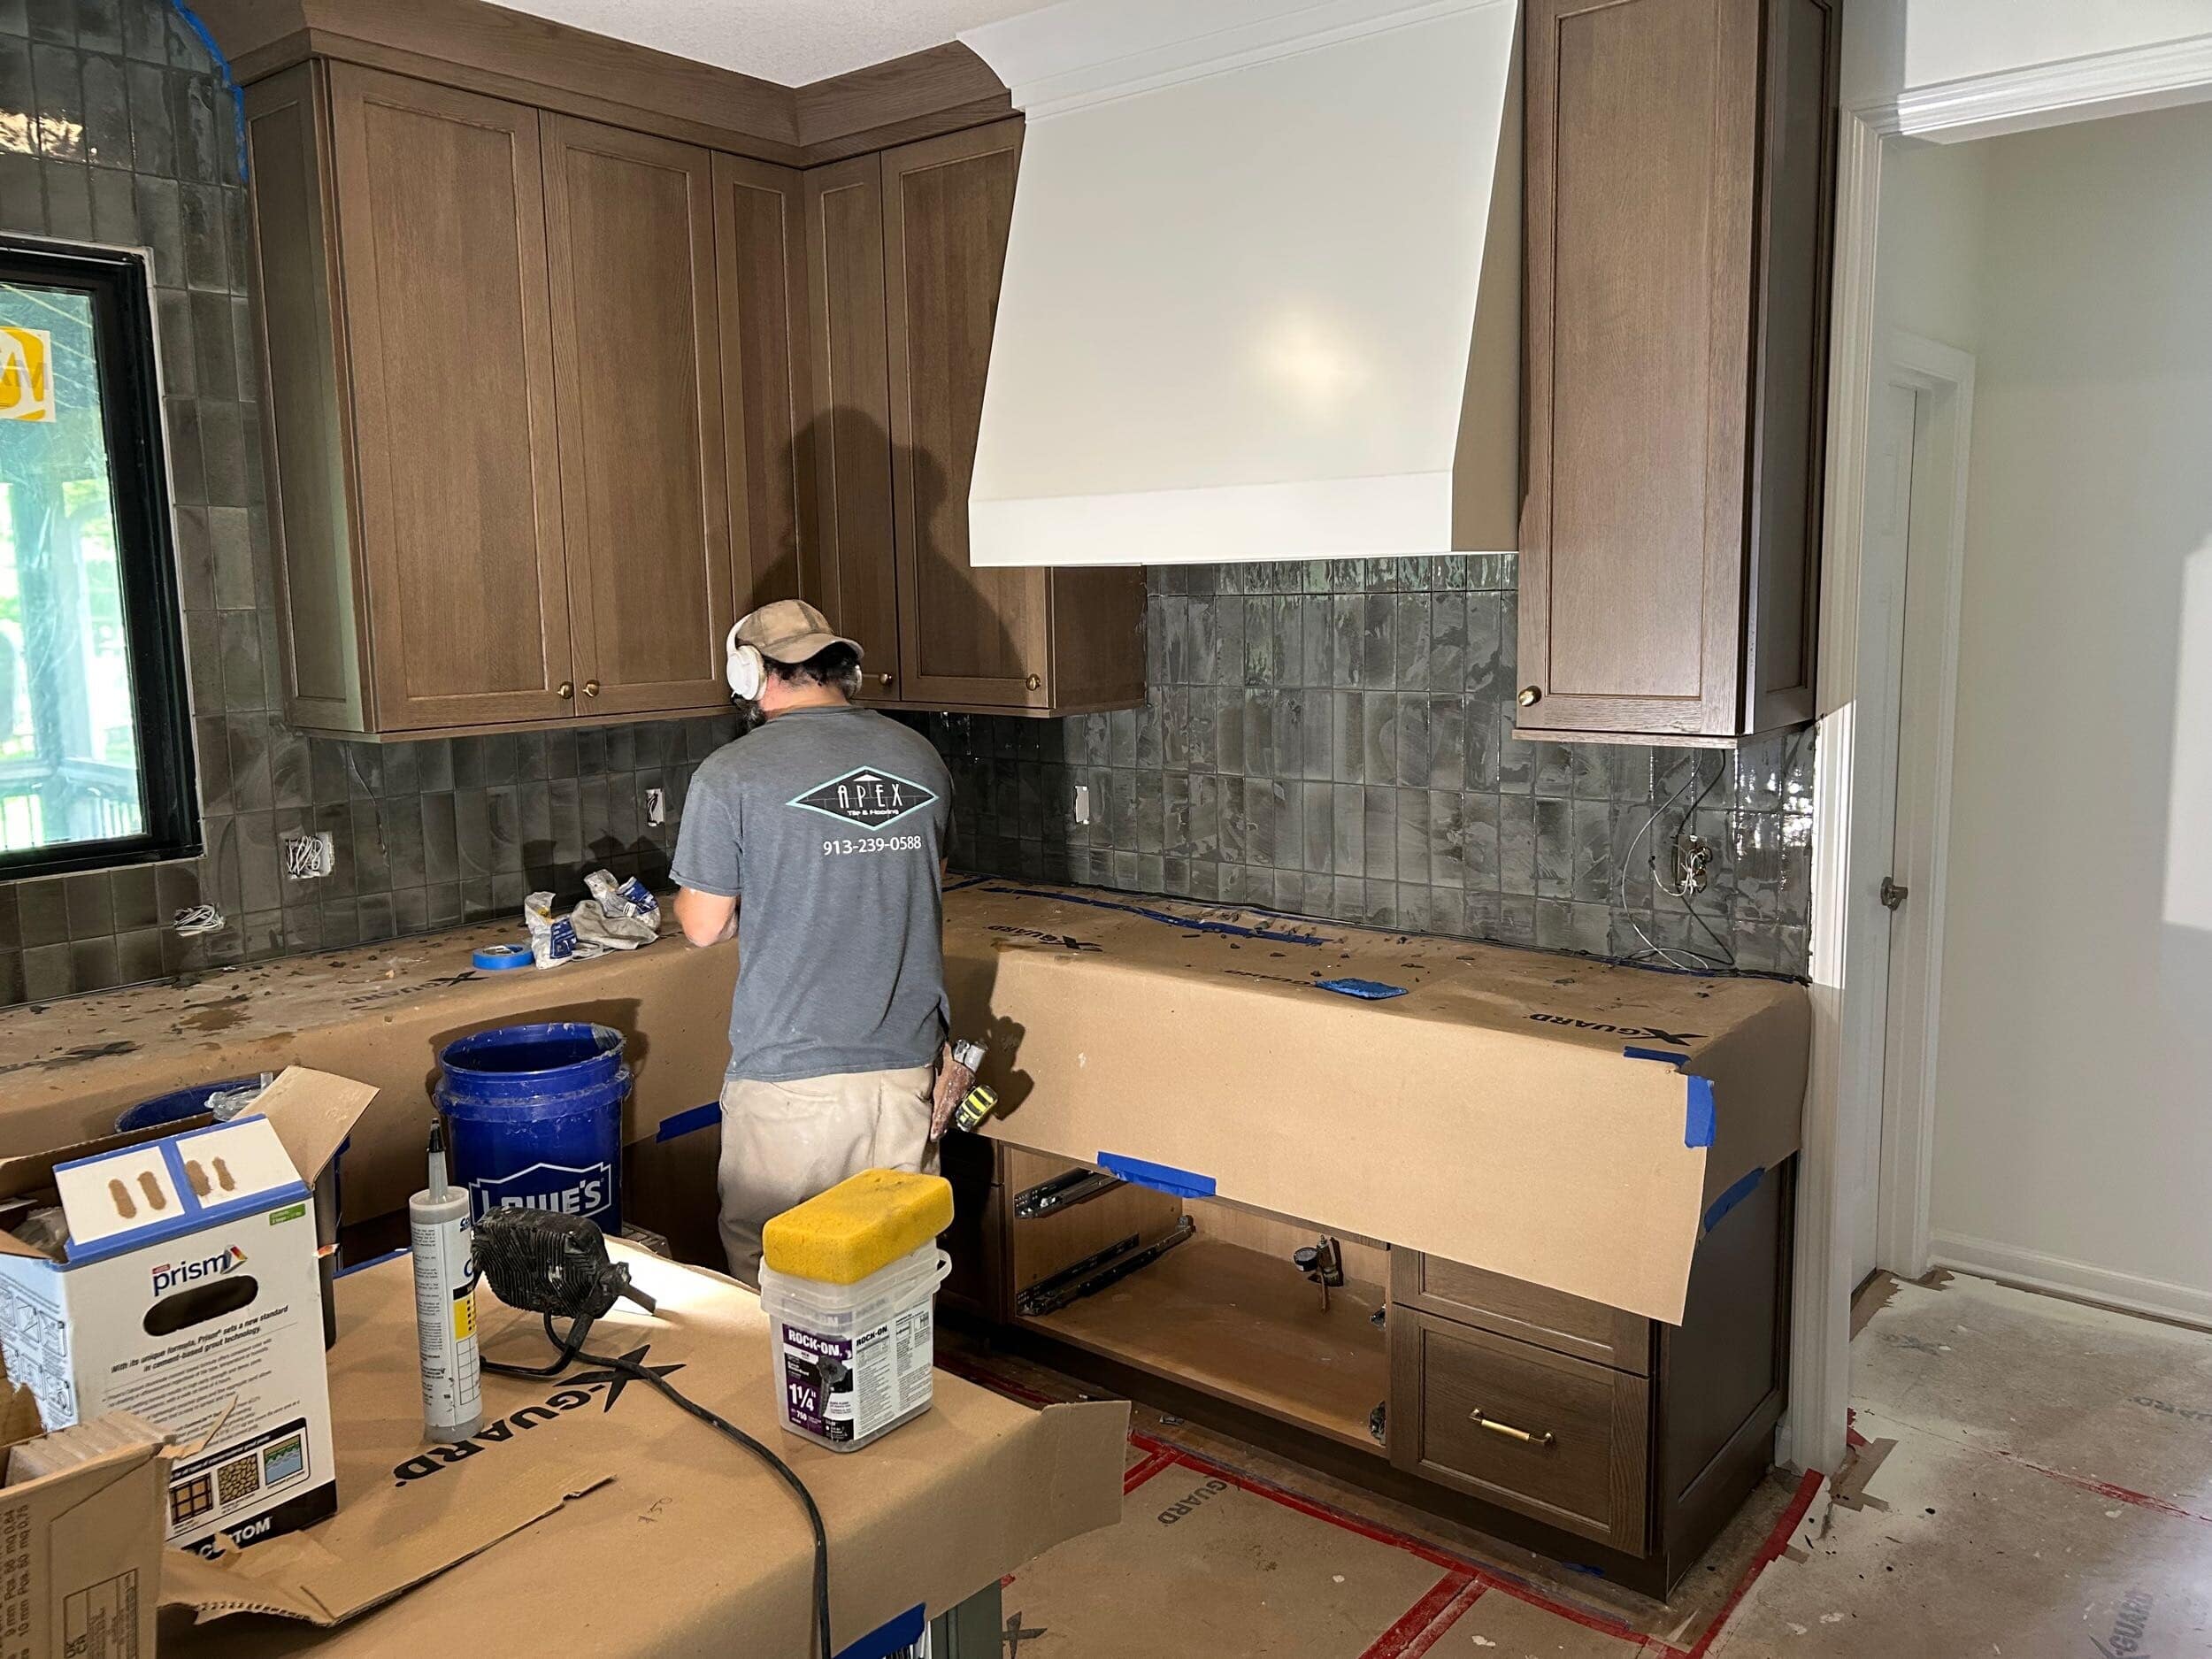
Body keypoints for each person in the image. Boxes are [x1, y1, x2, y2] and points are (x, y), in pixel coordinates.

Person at [670, 599, 959, 1282]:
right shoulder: (920, 759)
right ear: (841, 670)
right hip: (902, 1078)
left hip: (788, 1087)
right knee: (894, 1286)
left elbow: (701, 922)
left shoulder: (729, 775)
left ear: (750, 673)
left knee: (779, 1297)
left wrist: (766, 895)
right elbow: (925, 880)